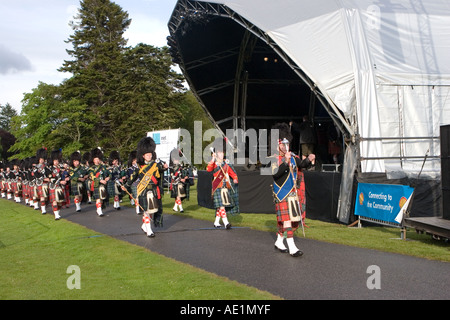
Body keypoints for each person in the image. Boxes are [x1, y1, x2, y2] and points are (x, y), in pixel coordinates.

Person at [270, 123, 315, 257]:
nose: (286, 147)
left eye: (287, 144)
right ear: (278, 145)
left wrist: (308, 159)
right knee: (287, 219)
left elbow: (301, 165)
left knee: (289, 220)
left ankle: (279, 241)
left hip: (293, 193)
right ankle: (292, 246)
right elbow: (275, 174)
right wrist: (284, 162)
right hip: (282, 193)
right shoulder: (273, 158)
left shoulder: (293, 156)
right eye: (283, 144)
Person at [123, 137, 168, 237]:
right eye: (147, 155)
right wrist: (126, 185)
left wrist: (165, 167)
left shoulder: (155, 165)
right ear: (143, 155)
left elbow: (161, 170)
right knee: (146, 211)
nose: (149, 156)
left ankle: (144, 225)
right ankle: (149, 230)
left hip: (154, 190)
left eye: (150, 154)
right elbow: (132, 177)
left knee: (152, 210)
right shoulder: (138, 166)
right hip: (144, 191)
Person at [206, 137, 239, 229]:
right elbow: (208, 170)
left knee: (221, 205)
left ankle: (216, 222)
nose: (222, 154)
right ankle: (226, 222)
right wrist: (213, 159)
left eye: (223, 152)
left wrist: (235, 178)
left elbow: (232, 173)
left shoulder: (226, 164)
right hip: (217, 187)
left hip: (225, 187)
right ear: (216, 153)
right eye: (220, 152)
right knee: (221, 206)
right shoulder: (214, 163)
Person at [88, 147, 110, 217]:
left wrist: (108, 177)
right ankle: (99, 210)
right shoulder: (91, 168)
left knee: (102, 198)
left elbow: (108, 173)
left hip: (103, 185)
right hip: (97, 184)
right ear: (93, 160)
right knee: (98, 198)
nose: (97, 160)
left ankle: (99, 209)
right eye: (96, 159)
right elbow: (92, 177)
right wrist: (100, 180)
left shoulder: (103, 167)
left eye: (98, 159)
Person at [48, 149, 68, 220]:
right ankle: (56, 215)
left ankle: (57, 213)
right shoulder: (50, 169)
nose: (56, 162)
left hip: (61, 186)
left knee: (60, 202)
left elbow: (65, 175)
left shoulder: (61, 168)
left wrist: (66, 179)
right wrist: (59, 182)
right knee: (54, 201)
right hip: (54, 186)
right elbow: (51, 179)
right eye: (55, 160)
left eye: (57, 160)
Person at [170, 149, 189, 213]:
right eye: (176, 160)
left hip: (180, 183)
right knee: (178, 196)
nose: (177, 161)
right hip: (175, 183)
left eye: (178, 159)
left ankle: (175, 207)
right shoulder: (172, 168)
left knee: (179, 196)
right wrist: (181, 179)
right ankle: (181, 208)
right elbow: (173, 176)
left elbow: (183, 173)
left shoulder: (180, 166)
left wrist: (185, 177)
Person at [34, 148, 51, 215]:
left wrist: (49, 177)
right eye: (40, 159)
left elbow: (49, 173)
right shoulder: (36, 167)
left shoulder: (46, 167)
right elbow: (36, 175)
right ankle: (43, 210)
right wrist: (43, 179)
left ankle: (44, 206)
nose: (41, 160)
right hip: (40, 183)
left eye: (42, 159)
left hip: (46, 184)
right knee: (42, 197)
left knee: (46, 197)